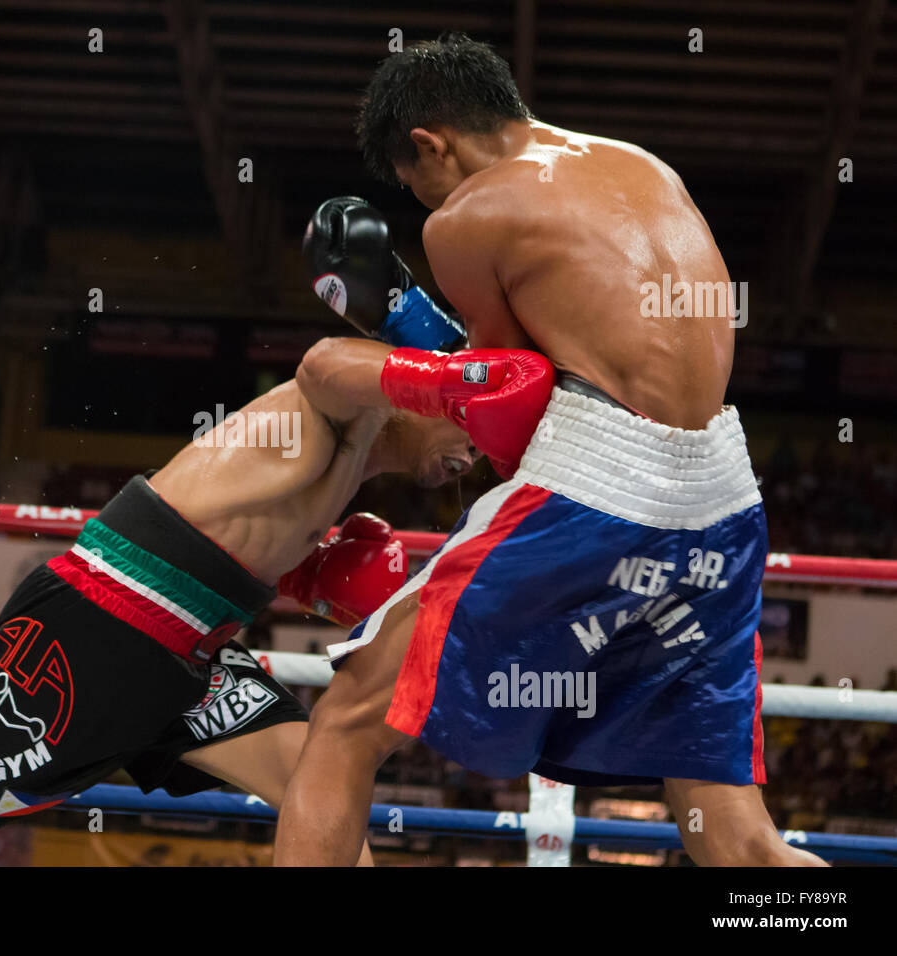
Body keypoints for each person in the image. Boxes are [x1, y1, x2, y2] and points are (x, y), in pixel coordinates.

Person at [274, 32, 827, 867]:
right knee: (740, 836)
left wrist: (398, 324)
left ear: (430, 143)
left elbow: (504, 406)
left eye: (412, 180)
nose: (421, 201)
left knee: (347, 719)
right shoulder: (641, 165)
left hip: (597, 486)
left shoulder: (468, 218)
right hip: (723, 501)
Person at [0, 322, 545, 865]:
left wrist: (304, 574)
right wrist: (449, 378)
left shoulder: (352, 467)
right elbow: (323, 363)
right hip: (97, 631)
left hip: (184, 654)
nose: (476, 457)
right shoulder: (338, 415)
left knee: (326, 778)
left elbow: (221, 540)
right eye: (478, 431)